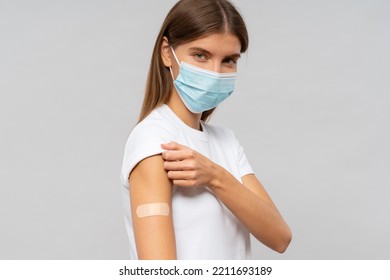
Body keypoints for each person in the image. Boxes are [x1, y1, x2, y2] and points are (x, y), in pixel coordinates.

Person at [120, 0, 292, 260]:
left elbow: (280, 237)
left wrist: (215, 177)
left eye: (228, 60)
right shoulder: (154, 140)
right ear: (167, 52)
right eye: (201, 55)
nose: (214, 73)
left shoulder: (226, 141)